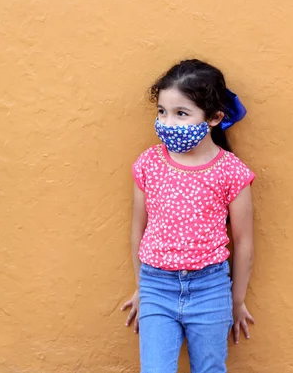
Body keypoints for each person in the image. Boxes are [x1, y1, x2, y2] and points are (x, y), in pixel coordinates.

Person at [121, 59, 256, 373]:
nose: (168, 123)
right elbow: (137, 230)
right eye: (162, 112)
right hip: (157, 287)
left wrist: (236, 301)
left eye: (181, 113)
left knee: (210, 368)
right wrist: (142, 286)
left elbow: (244, 242)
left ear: (213, 118)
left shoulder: (231, 171)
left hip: (211, 289)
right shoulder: (149, 164)